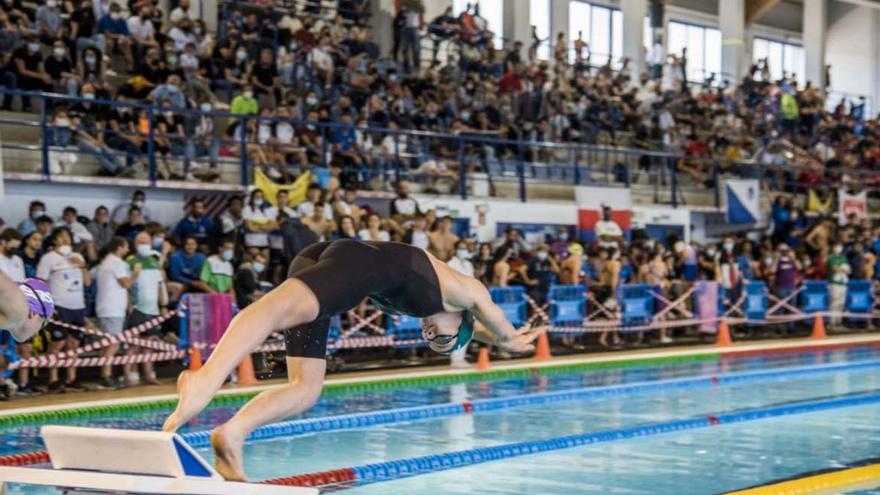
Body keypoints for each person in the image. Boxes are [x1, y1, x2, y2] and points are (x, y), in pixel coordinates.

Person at [162, 239, 542, 480]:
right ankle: (205, 378)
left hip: (330, 260)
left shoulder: (440, 312)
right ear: (462, 321)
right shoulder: (467, 292)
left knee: (305, 388)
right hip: (357, 259)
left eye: (434, 344)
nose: (431, 336)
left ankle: (232, 433)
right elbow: (488, 314)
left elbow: (466, 329)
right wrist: (508, 339)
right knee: (274, 311)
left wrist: (483, 337)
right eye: (442, 338)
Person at [37, 227, 91, 393]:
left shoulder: (78, 256)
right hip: (59, 305)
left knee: (73, 344)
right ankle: (53, 379)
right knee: (57, 344)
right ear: (54, 240)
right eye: (61, 236)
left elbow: (88, 282)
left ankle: (71, 378)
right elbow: (40, 282)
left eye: (67, 236)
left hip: (77, 306)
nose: (65, 239)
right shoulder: (48, 258)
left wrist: (82, 266)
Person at [95, 236, 139, 390]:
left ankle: (106, 375)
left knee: (109, 344)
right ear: (119, 248)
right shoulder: (116, 262)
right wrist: (136, 274)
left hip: (109, 307)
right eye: (126, 247)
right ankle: (105, 377)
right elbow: (126, 283)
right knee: (113, 344)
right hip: (111, 308)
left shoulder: (107, 261)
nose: (127, 250)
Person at [125, 232, 167, 386]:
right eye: (141, 242)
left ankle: (149, 375)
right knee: (134, 344)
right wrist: (128, 305)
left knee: (149, 344)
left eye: (146, 242)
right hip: (137, 308)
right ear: (135, 244)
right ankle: (129, 375)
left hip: (153, 310)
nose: (144, 244)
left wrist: (163, 305)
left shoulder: (154, 262)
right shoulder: (129, 262)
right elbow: (126, 286)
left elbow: (160, 286)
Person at [827, 242, 850, 328]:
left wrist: (842, 268)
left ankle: (839, 323)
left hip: (843, 283)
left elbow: (849, 270)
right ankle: (832, 324)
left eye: (840, 246)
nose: (838, 248)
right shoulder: (830, 257)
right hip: (834, 283)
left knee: (841, 304)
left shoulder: (843, 258)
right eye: (836, 246)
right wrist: (843, 268)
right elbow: (834, 269)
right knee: (834, 304)